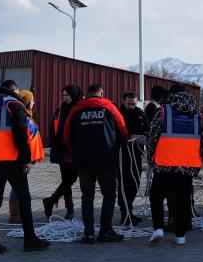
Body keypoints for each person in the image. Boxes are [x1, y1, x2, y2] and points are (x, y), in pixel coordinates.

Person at [0, 79, 50, 255]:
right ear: (13, 90)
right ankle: (30, 240)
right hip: (13, 161)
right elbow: (21, 132)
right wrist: (26, 159)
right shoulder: (14, 104)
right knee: (24, 200)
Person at [64, 84, 128, 244]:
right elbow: (123, 129)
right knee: (108, 194)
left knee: (87, 196)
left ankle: (89, 233)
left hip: (83, 161)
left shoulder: (76, 109)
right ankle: (105, 231)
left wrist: (75, 152)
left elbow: (66, 134)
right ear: (102, 93)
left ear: (88, 94)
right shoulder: (109, 107)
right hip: (106, 159)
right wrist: (122, 144)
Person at [148, 83, 203, 246]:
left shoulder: (164, 111)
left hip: (164, 164)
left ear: (171, 95)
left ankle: (158, 229)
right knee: (183, 200)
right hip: (187, 166)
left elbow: (153, 137)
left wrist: (151, 160)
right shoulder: (197, 114)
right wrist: (197, 165)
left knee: (156, 197)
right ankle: (181, 235)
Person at [43, 84, 83, 220]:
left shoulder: (80, 110)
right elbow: (53, 130)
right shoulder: (59, 110)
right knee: (68, 181)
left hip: (76, 151)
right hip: (64, 151)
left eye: (67, 95)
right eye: (63, 95)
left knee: (69, 180)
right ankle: (69, 209)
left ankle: (51, 201)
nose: (65, 98)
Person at [8, 90, 45, 222]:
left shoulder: (27, 116)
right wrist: (26, 158)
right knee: (17, 186)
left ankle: (16, 215)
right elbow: (23, 139)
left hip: (26, 157)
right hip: (22, 158)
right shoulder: (23, 117)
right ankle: (15, 215)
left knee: (17, 186)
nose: (34, 102)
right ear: (27, 101)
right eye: (32, 100)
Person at [118, 91, 148, 226]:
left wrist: (143, 137)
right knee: (124, 186)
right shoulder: (117, 114)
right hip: (122, 155)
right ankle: (125, 214)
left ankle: (129, 211)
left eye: (134, 104)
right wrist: (128, 137)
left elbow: (147, 128)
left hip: (136, 153)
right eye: (129, 104)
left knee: (135, 182)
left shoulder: (140, 113)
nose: (131, 106)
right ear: (124, 101)